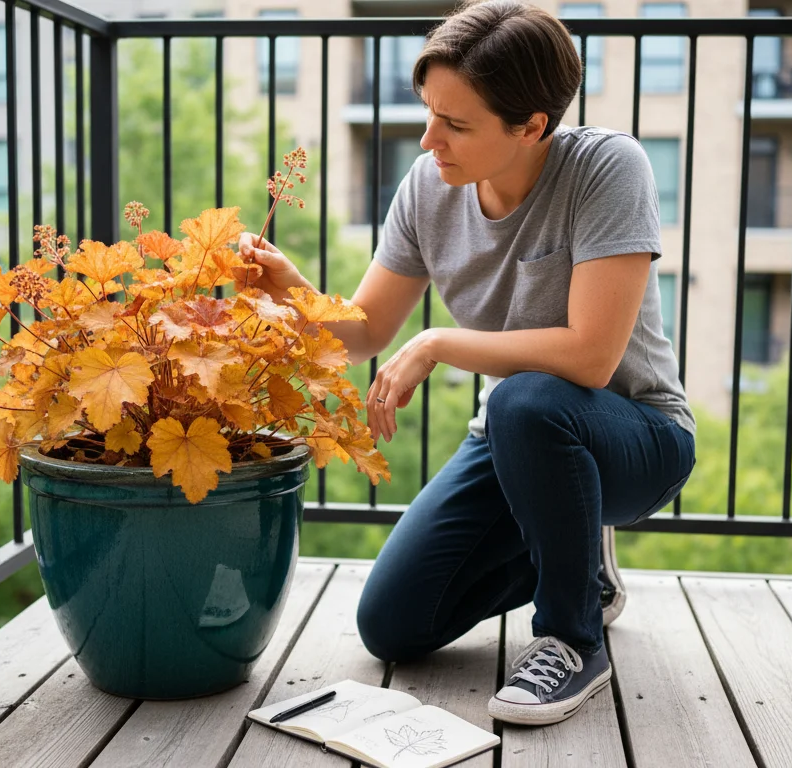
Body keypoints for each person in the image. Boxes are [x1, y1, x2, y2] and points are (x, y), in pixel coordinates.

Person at [238, 0, 696, 727]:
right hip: (518, 442)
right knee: (393, 626)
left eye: (455, 124)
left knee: (526, 401)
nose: (429, 139)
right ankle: (582, 567)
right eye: (429, 113)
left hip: (632, 435)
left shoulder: (607, 168)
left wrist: (437, 342)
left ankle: (574, 638)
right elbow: (364, 335)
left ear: (532, 126)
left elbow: (591, 355)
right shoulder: (429, 186)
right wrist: (291, 291)